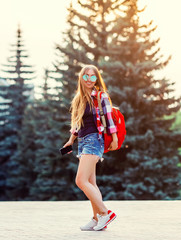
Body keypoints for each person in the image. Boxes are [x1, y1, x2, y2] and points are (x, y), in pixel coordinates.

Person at [62, 65, 117, 231]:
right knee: (91, 182)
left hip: (94, 140)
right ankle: (96, 219)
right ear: (81, 78)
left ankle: (105, 213)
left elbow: (109, 118)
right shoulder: (80, 98)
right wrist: (71, 140)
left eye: (93, 77)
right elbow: (78, 123)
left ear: (97, 79)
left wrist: (113, 137)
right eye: (86, 76)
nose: (89, 80)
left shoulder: (100, 96)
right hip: (83, 141)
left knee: (80, 180)